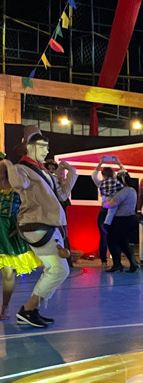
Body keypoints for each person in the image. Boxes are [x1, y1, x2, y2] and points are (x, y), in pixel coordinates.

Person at [5, 128, 71, 329]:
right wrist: (9, 165)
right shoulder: (22, 168)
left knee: (56, 269)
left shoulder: (41, 170)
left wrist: (69, 173)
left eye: (47, 146)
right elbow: (19, 184)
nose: (46, 150)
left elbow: (62, 195)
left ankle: (31, 310)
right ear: (30, 147)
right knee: (59, 269)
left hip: (47, 225)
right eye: (42, 146)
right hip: (36, 225)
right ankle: (28, 309)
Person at [0, 155, 42, 320]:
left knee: (8, 273)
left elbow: (31, 208)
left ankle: (4, 307)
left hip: (8, 232)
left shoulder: (19, 187)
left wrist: (20, 226)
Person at [91, 156, 127, 268]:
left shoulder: (102, 183)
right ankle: (116, 261)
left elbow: (93, 175)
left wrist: (100, 163)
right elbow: (125, 174)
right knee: (116, 237)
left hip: (104, 209)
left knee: (104, 236)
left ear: (104, 175)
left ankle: (104, 261)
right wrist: (119, 163)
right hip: (115, 210)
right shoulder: (117, 183)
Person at [103, 183, 140, 273]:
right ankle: (132, 263)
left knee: (112, 241)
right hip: (130, 218)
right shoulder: (133, 190)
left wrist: (104, 204)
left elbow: (112, 204)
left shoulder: (124, 191)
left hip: (121, 219)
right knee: (123, 242)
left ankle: (118, 264)